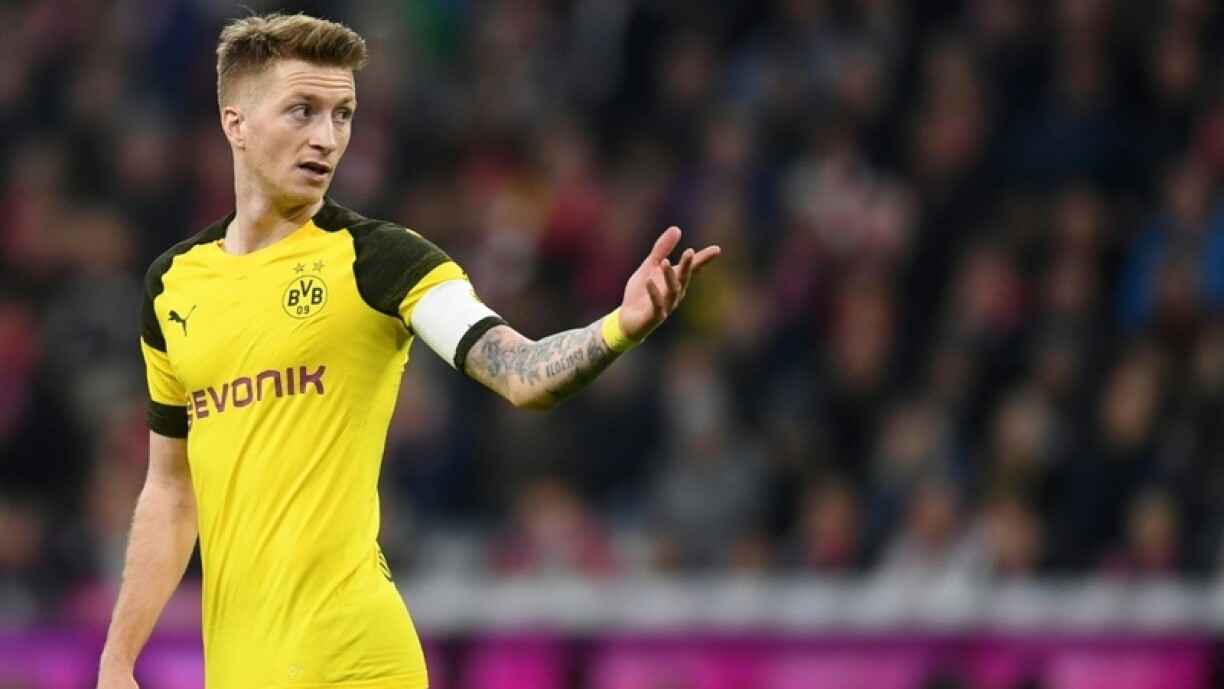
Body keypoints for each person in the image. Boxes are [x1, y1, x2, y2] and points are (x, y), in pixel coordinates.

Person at [96, 12, 719, 689]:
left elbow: (520, 372)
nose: (326, 137)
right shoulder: (174, 285)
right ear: (235, 123)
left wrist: (620, 326)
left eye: (342, 115)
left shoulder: (381, 260)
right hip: (239, 670)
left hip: (357, 661)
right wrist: (119, 655)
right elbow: (171, 488)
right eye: (302, 111)